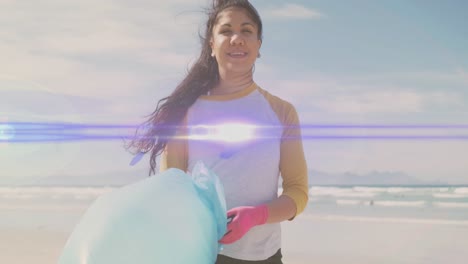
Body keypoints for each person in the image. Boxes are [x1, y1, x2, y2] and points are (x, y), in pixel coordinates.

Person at [127, 0, 309, 263]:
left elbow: (298, 192)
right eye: (226, 31)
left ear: (258, 45)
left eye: (246, 31)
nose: (237, 38)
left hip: (265, 256)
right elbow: (173, 191)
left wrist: (256, 216)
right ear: (211, 45)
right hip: (204, 253)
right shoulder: (186, 114)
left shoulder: (282, 112)